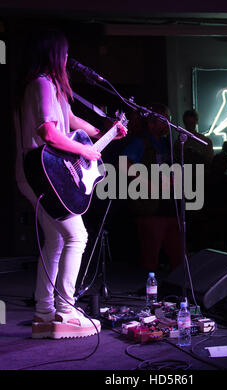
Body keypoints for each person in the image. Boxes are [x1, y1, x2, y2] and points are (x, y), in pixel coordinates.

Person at [14, 28, 127, 339]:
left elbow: (72, 122)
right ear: (54, 54)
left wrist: (106, 131)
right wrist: (85, 150)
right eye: (64, 53)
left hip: (36, 174)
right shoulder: (42, 85)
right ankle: (66, 310)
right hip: (41, 174)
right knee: (77, 236)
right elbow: (48, 133)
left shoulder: (48, 87)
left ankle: (43, 314)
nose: (67, 59)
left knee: (56, 242)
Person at [121, 103, 182, 272]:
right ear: (151, 123)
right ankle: (148, 293)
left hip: (169, 204)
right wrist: (150, 183)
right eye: (163, 121)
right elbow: (123, 163)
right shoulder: (141, 141)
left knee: (177, 252)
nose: (167, 124)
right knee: (150, 257)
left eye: (168, 120)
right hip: (150, 207)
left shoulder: (165, 143)